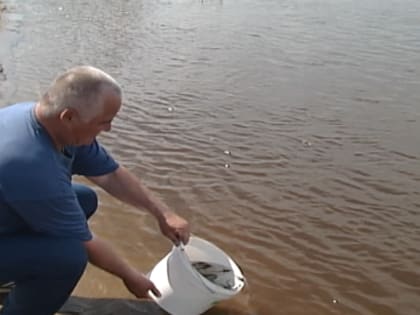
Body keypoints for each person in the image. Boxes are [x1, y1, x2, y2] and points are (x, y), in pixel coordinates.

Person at [0, 65, 190, 315]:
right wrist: (131, 276)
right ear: (68, 116)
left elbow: (110, 175)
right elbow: (85, 242)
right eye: (104, 122)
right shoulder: (29, 163)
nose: (109, 129)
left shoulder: (49, 123)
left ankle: (17, 275)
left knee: (84, 199)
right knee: (68, 259)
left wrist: (162, 213)